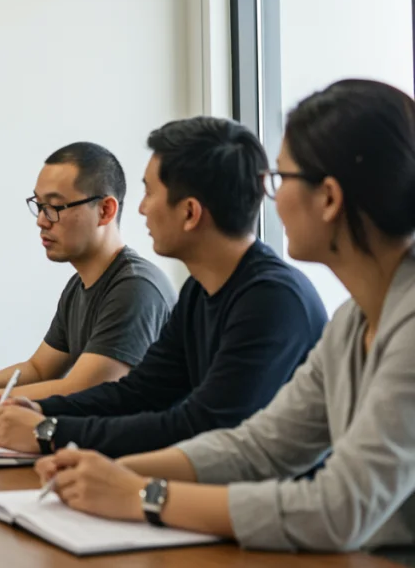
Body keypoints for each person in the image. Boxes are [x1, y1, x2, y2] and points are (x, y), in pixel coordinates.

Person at [33, 79, 415, 553]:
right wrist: (116, 471)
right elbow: (258, 446)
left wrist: (141, 494)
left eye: (282, 179)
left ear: (330, 198)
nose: (269, 197)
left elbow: (338, 509)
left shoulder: (392, 324)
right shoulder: (353, 321)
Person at [0, 116, 327, 458]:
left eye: (149, 192)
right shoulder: (198, 291)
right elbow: (139, 393)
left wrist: (50, 431)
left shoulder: (272, 301)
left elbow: (201, 426)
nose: (142, 208)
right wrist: (37, 409)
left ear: (190, 213)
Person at [0, 142, 175, 419]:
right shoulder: (79, 285)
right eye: (39, 205)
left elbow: (84, 388)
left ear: (106, 211)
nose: (41, 220)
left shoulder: (136, 288)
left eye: (55, 206)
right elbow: (38, 369)